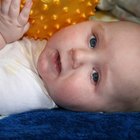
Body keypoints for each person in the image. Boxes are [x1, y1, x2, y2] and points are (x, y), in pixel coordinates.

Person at [1, 0, 140, 115]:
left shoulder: (21, 93)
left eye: (95, 76)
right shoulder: (44, 43)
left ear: (96, 112)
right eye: (93, 41)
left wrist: (3, 35)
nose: (78, 56)